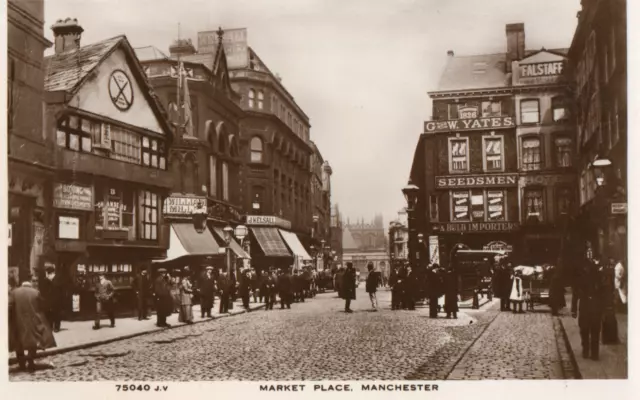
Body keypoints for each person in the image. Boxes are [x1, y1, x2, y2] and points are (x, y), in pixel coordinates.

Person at [9, 277, 57, 372]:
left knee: (19, 344)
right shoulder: (35, 292)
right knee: (33, 343)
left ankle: (22, 364)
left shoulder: (14, 292)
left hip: (18, 322)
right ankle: (30, 362)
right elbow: (43, 307)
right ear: (30, 283)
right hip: (33, 322)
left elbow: (10, 307)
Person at [572, 258, 605, 360]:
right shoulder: (582, 277)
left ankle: (589, 351)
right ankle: (591, 352)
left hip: (589, 307)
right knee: (590, 330)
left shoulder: (596, 276)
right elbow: (576, 293)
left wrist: (574, 309)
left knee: (588, 330)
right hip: (591, 307)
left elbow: (575, 294)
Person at [40, 264, 64, 332]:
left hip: (56, 301)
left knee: (56, 314)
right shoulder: (47, 280)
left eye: (46, 273)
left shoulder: (57, 280)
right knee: (50, 314)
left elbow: (59, 292)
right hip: (50, 301)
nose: (46, 275)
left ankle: (56, 327)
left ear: (49, 273)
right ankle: (50, 326)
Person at [600, 258, 619, 344]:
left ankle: (607, 338)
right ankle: (611, 338)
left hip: (606, 297)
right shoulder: (611, 272)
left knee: (607, 317)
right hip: (608, 297)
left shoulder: (603, 272)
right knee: (609, 316)